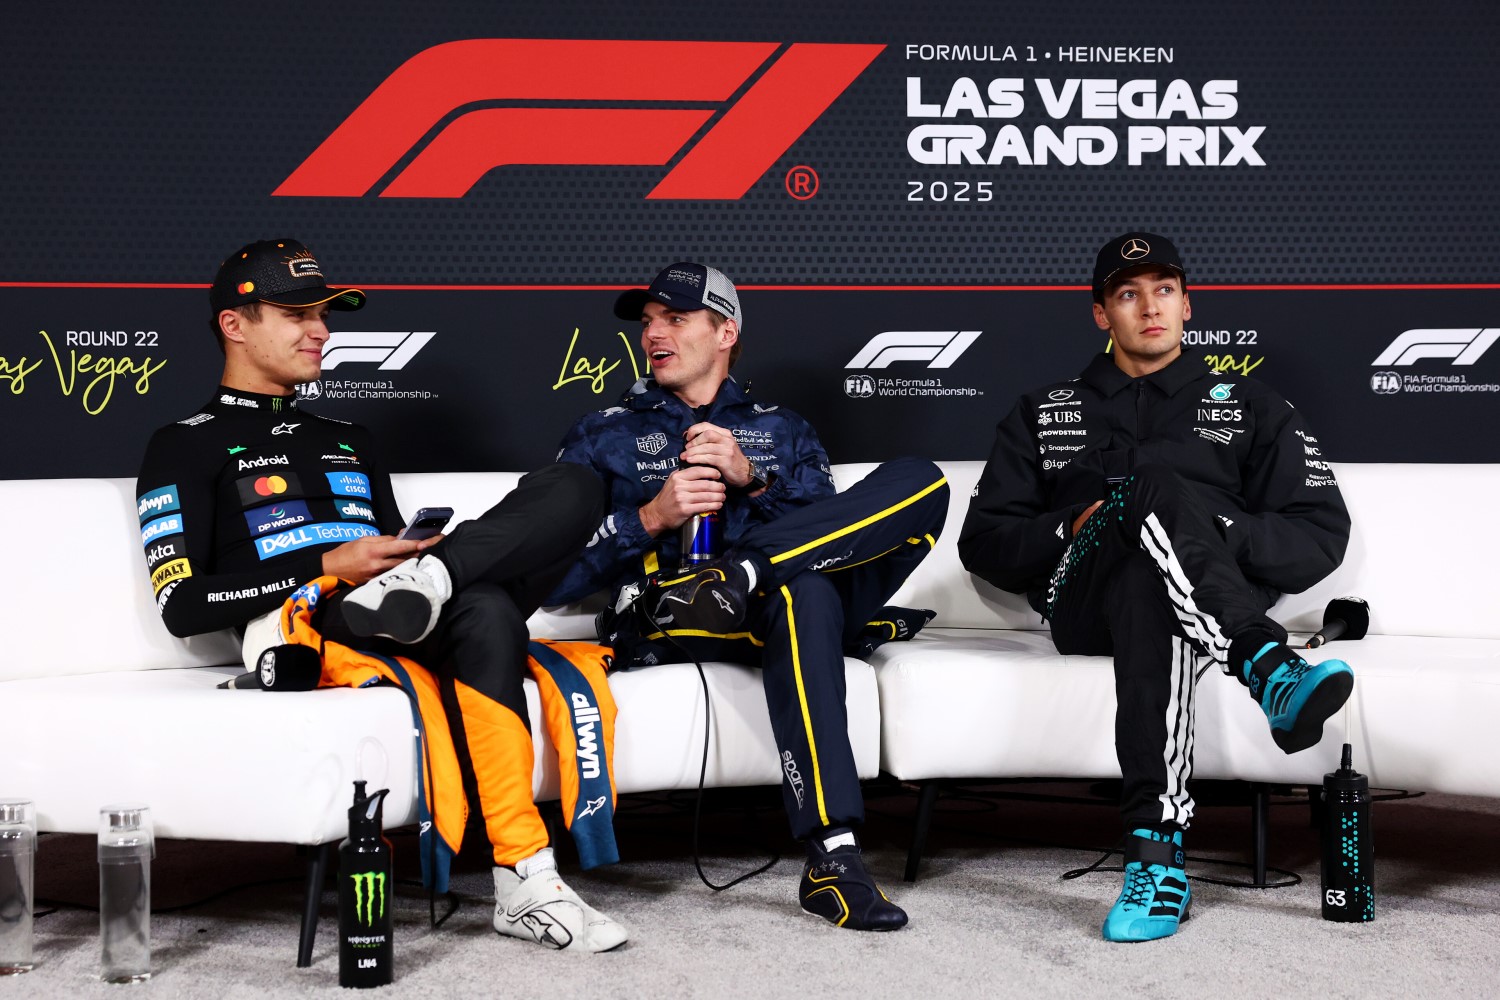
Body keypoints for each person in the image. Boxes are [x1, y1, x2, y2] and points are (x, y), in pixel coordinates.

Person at [135, 238, 626, 952]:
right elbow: (182, 606)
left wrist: (415, 557)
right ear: (234, 325)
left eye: (323, 316)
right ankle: (524, 874)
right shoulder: (181, 443)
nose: (320, 331)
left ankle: (438, 574)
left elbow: (391, 545)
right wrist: (324, 563)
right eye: (297, 315)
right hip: (315, 620)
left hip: (401, 602)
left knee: (575, 485)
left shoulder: (352, 437)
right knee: (485, 609)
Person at [958, 232, 1354, 942]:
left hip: (1193, 604)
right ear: (1101, 314)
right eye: (1128, 294)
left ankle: (1156, 860)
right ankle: (1266, 668)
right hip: (1082, 602)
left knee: (1152, 572)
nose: (1150, 308)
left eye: (1164, 290)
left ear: (1187, 305)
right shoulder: (1043, 409)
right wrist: (1070, 525)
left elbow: (1318, 535)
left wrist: (1212, 529)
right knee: (1148, 492)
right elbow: (983, 543)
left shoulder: (1253, 405)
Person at [547, 262, 949, 931]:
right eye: (648, 322)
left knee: (921, 480)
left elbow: (835, 536)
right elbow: (552, 577)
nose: (653, 335)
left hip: (778, 597)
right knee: (807, 594)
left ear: (726, 331)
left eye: (675, 319)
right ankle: (835, 857)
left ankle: (744, 574)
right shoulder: (602, 432)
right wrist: (650, 518)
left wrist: (753, 479)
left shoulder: (782, 429)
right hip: (675, 615)